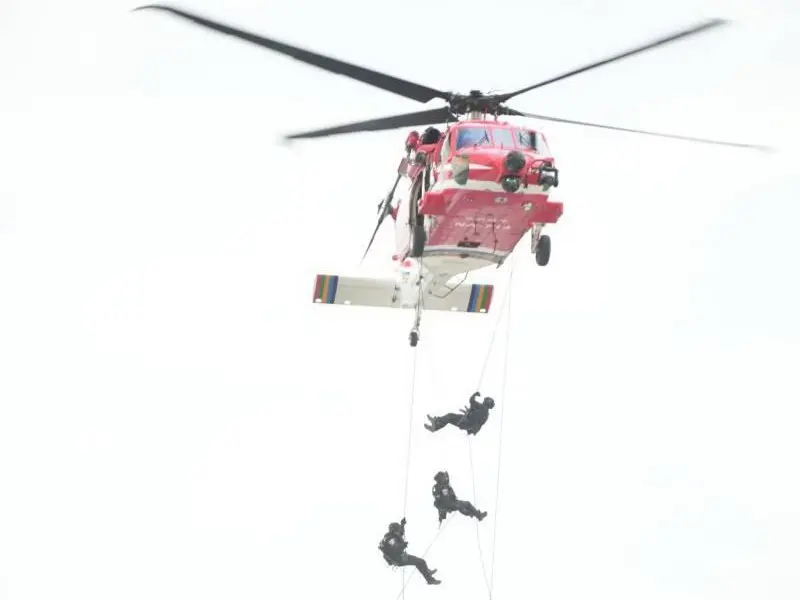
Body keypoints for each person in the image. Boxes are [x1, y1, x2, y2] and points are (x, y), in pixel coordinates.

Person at [378, 518, 441, 585]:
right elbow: (396, 547)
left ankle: (427, 572)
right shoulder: (390, 539)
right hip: (398, 559)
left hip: (398, 557)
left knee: (419, 562)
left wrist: (402, 524)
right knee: (421, 562)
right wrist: (403, 545)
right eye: (397, 530)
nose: (398, 532)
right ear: (394, 530)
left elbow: (400, 533)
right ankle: (430, 579)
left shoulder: (391, 536)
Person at [424, 392, 495, 435]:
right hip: (467, 425)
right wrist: (470, 411)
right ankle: (435, 426)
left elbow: (471, 401)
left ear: (487, 403)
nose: (483, 401)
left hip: (466, 421)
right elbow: (476, 417)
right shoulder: (486, 413)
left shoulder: (483, 408)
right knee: (449, 418)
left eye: (485, 400)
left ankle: (435, 424)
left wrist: (474, 394)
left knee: (450, 416)